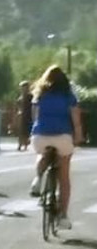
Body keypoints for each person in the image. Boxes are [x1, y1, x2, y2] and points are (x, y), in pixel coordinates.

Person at [29, 65, 83, 230]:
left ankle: (38, 178)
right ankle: (63, 217)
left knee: (42, 153)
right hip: (62, 136)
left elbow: (35, 117)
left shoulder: (39, 95)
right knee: (64, 177)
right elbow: (76, 119)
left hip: (40, 135)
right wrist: (78, 135)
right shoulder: (69, 96)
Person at [16, 80, 33, 151]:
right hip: (22, 116)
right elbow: (18, 107)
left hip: (29, 115)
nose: (23, 89)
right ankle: (19, 145)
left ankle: (25, 145)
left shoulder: (31, 97)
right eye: (22, 88)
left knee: (27, 131)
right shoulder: (20, 98)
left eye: (25, 87)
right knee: (20, 131)